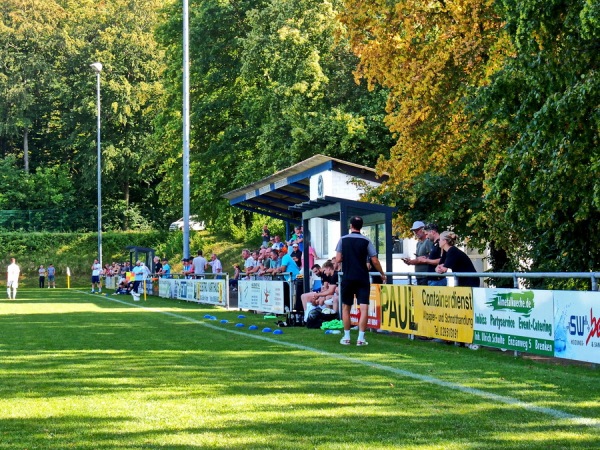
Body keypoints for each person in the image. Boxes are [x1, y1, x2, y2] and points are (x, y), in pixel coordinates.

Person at [335, 216, 386, 346]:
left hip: (348, 277)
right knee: (364, 308)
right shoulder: (366, 241)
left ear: (351, 225)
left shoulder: (343, 239)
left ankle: (346, 338)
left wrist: (347, 257)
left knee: (346, 307)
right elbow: (374, 260)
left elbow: (338, 258)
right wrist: (382, 273)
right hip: (362, 277)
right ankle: (361, 339)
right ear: (361, 226)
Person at [402, 221, 432, 285]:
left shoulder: (428, 241)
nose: (415, 233)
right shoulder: (418, 243)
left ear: (423, 229)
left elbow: (433, 257)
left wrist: (417, 261)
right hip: (419, 276)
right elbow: (419, 259)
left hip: (426, 276)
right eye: (414, 231)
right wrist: (411, 261)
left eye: (417, 230)